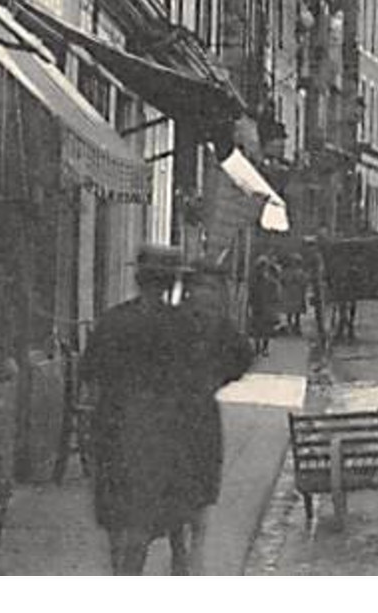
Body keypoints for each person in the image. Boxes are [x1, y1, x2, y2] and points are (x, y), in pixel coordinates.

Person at [82, 244, 253, 575]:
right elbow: (238, 356)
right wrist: (212, 382)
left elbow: (91, 380)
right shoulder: (187, 325)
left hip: (118, 432)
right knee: (176, 525)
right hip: (173, 436)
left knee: (124, 527)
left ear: (136, 279)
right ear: (174, 282)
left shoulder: (113, 321)